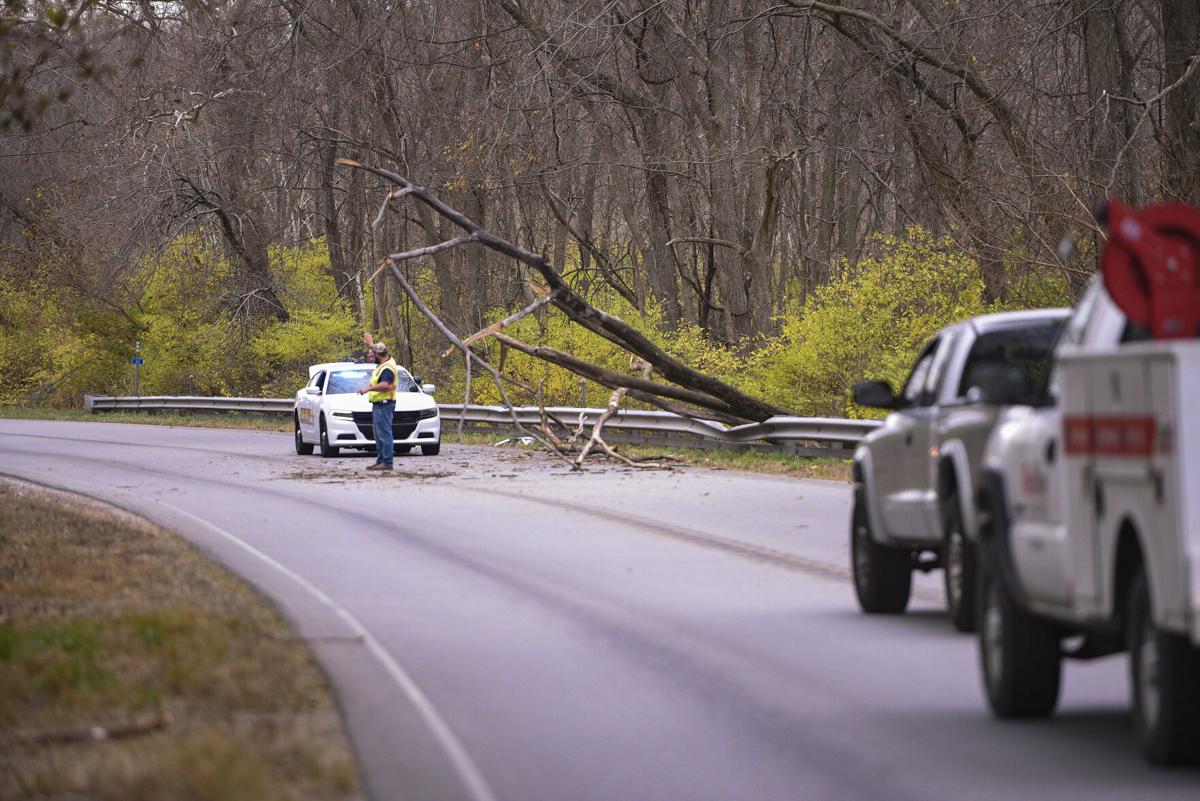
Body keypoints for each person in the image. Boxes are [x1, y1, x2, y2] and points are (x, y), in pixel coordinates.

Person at [358, 340, 398, 471]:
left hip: (384, 404)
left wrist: (367, 389)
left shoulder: (387, 368)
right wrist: (371, 344)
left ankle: (387, 462)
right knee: (378, 434)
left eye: (373, 354)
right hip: (379, 404)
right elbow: (378, 351)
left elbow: (385, 385)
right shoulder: (385, 362)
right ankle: (381, 461)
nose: (371, 357)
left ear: (378, 355)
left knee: (384, 434)